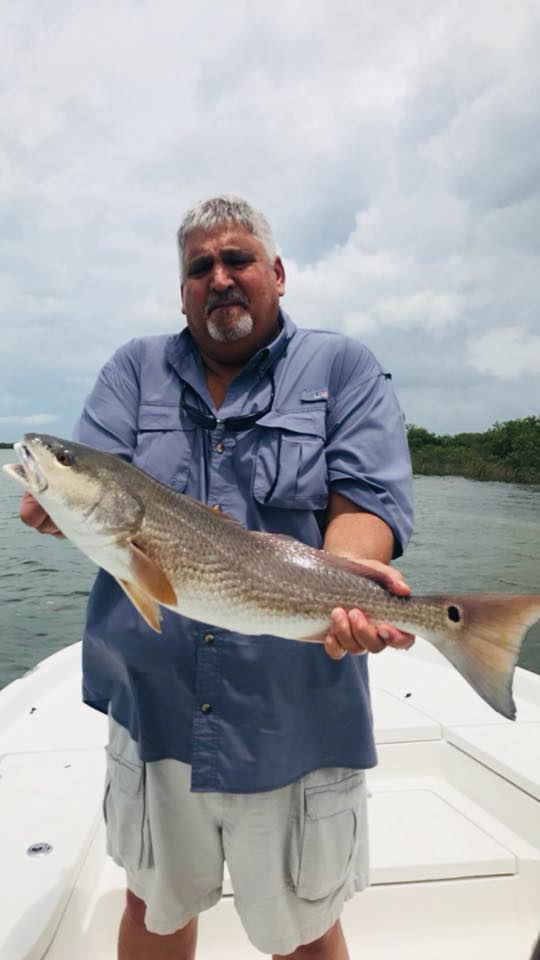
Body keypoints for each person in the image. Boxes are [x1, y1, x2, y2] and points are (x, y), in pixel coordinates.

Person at [20, 195, 415, 960]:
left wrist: (345, 588)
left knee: (303, 930)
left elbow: (366, 504)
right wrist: (56, 501)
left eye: (238, 260)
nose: (221, 278)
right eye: (200, 267)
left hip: (293, 709)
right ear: (182, 292)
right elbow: (99, 487)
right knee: (153, 908)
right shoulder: (133, 371)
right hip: (155, 709)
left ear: (277, 272)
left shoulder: (343, 368)